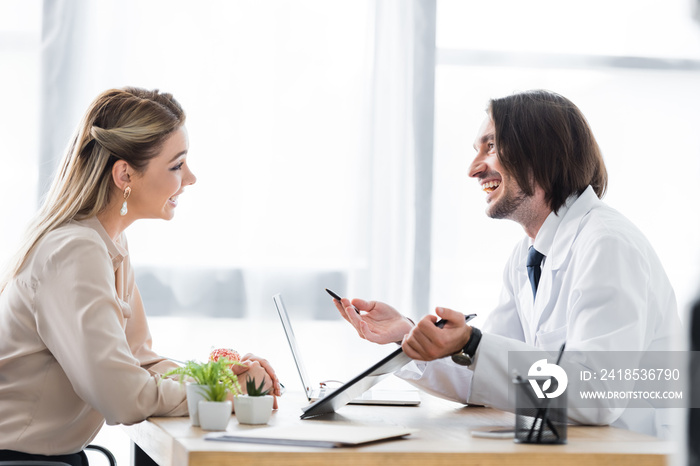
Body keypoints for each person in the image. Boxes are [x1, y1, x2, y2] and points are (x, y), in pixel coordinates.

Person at [334, 89, 681, 437]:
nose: (473, 169)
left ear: (542, 151)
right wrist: (408, 335)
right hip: (578, 447)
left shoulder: (607, 243)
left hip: (635, 450)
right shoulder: (527, 256)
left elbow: (596, 395)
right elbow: (484, 377)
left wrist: (472, 343)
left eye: (491, 147)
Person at [0, 87, 280, 463]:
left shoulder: (106, 241)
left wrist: (223, 375)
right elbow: (124, 397)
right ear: (124, 174)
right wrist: (224, 391)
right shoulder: (75, 251)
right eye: (177, 165)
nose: (191, 178)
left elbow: (139, 360)